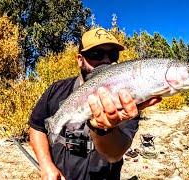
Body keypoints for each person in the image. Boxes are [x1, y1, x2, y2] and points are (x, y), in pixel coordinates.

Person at [29, 27, 161, 180]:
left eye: (113, 54)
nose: (106, 60)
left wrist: (103, 129)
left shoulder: (128, 99)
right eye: (96, 54)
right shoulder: (57, 90)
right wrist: (46, 166)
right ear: (80, 59)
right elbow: (36, 127)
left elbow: (115, 154)